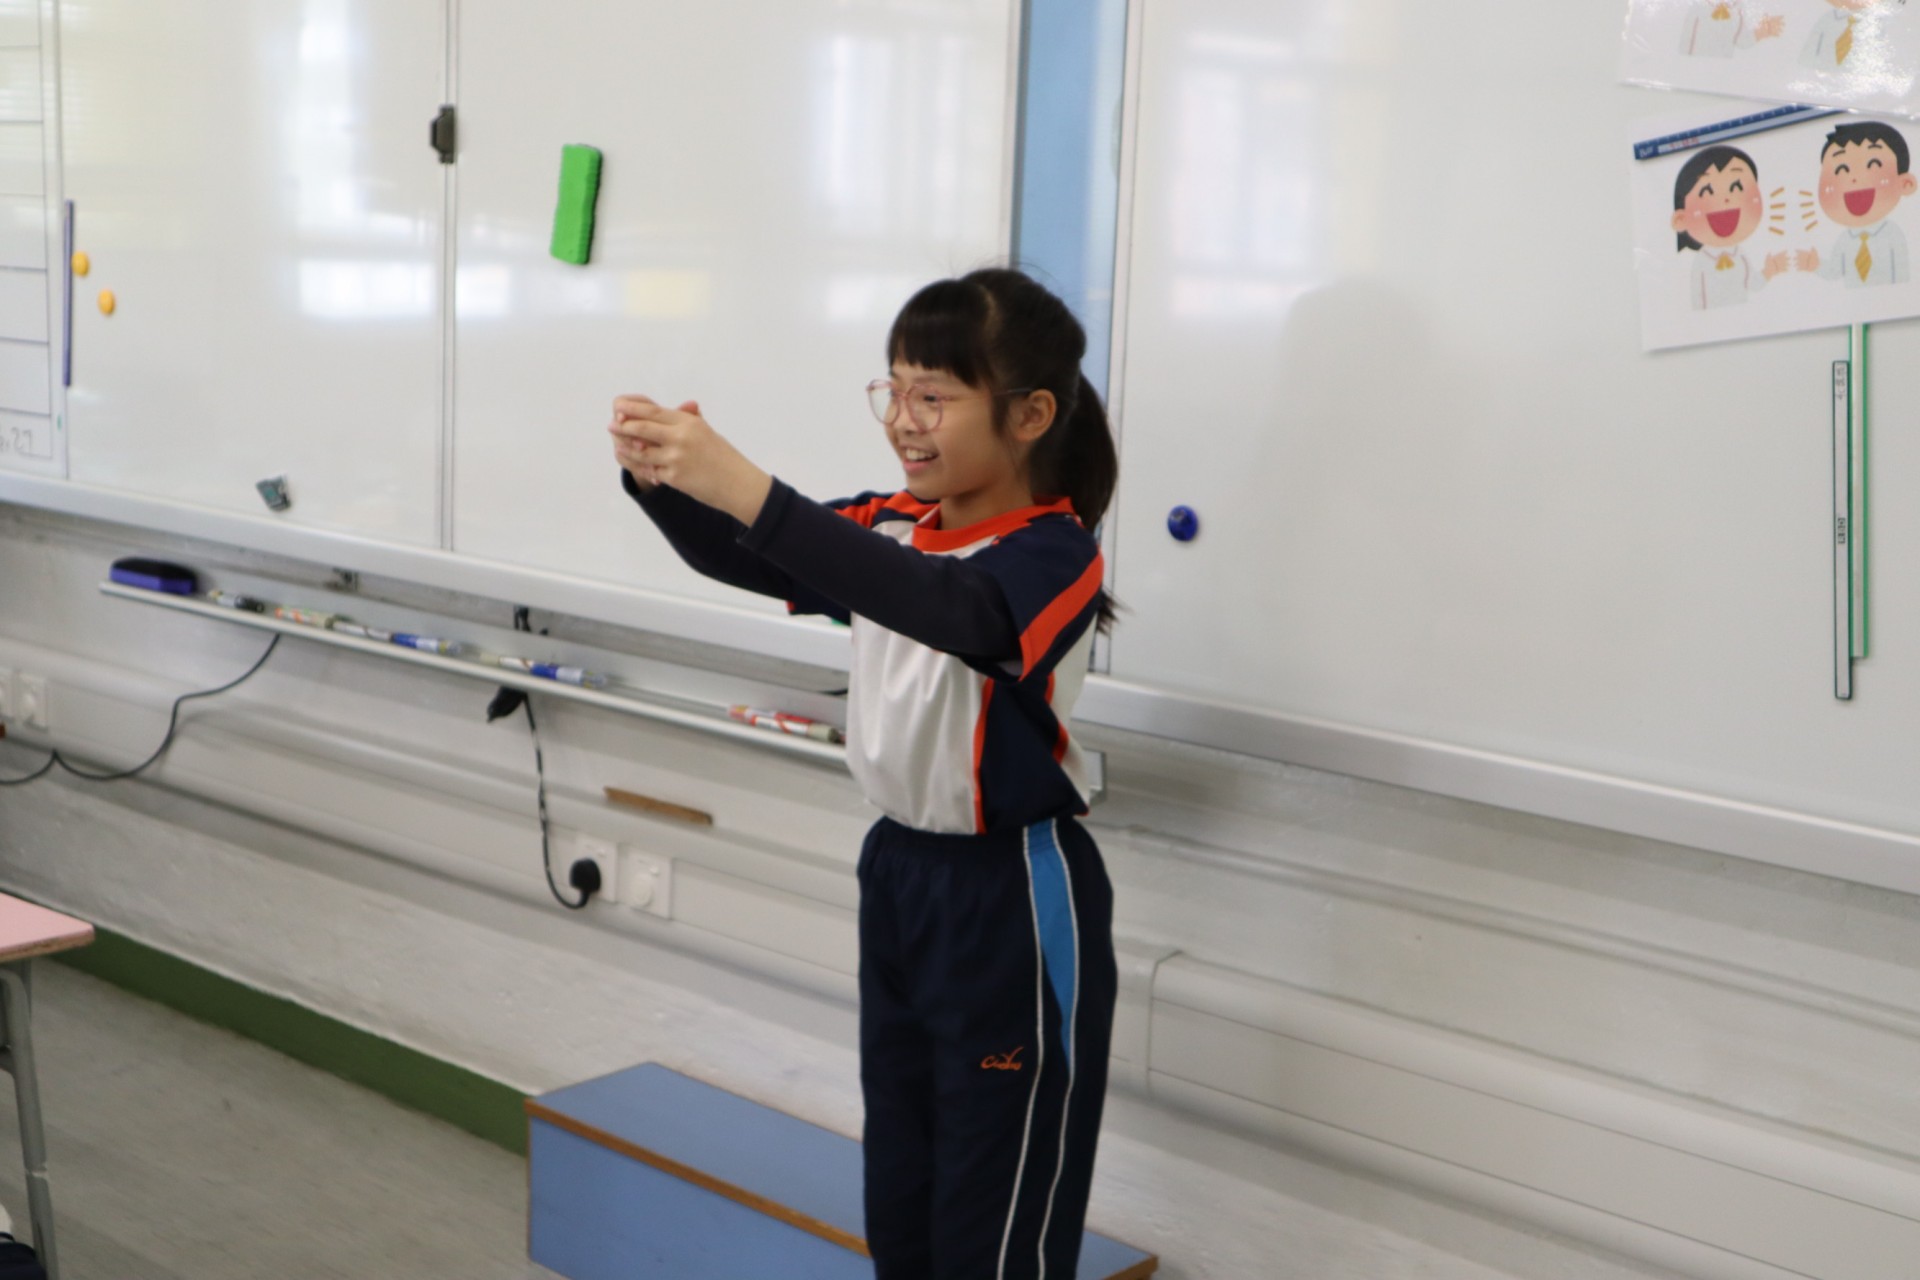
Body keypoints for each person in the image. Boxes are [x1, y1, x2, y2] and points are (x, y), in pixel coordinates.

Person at [608, 267, 1120, 1279]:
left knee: (994, 1212)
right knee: (903, 1183)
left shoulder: (1054, 554)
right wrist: (661, 479)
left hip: (1009, 894)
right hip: (899, 874)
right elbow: (751, 552)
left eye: (935, 395)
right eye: (893, 389)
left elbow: (956, 610)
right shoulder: (890, 522)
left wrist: (746, 484)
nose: (903, 420)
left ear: (1029, 415)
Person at [1799, 120, 1917, 287]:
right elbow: (1835, 271)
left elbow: (1902, 272)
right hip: (1850, 303)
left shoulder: (1893, 234)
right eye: (1841, 169)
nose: (1854, 178)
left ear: (1905, 183)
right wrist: (1816, 265)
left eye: (1873, 164)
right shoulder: (1844, 240)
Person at [1669, 144, 1789, 309]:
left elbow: (1753, 284)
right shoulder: (1702, 261)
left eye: (1737, 187)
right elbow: (1697, 300)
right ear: (1681, 219)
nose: (1726, 199)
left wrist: (1769, 271)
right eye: (1707, 191)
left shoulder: (1740, 254)